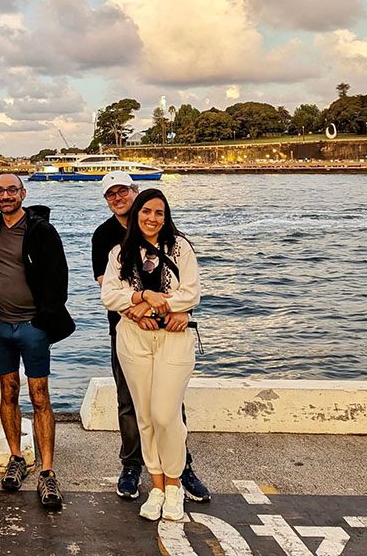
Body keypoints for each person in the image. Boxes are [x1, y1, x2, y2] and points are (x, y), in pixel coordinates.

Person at [91, 171, 210, 504]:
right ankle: (134, 468)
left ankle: (181, 469)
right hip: (131, 333)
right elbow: (107, 288)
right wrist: (139, 308)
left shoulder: (174, 239)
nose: (118, 198)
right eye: (111, 194)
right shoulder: (107, 240)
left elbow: (190, 289)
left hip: (170, 333)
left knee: (169, 409)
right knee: (133, 405)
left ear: (135, 192)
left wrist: (173, 310)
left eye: (123, 191)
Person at [0, 174, 75, 509]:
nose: (6, 195)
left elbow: (59, 278)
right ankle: (16, 457)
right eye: (0, 191)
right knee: (8, 389)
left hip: (32, 327)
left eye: (12, 190)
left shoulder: (41, 231)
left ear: (23, 193)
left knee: (40, 395)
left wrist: (43, 321)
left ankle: (48, 471)